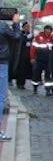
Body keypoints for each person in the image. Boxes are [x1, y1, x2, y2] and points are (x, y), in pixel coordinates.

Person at [0, 12, 22, 141]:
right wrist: (16, 23)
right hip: (1, 63)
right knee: (1, 97)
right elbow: (17, 37)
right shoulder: (3, 27)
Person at [31, 24, 53, 95]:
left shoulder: (52, 39)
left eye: (49, 31)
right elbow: (33, 48)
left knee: (48, 75)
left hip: (48, 60)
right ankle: (35, 88)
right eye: (46, 31)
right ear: (44, 30)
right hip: (39, 59)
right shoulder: (38, 37)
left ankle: (48, 90)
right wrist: (32, 57)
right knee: (36, 74)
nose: (47, 33)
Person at [14, 21, 32, 90]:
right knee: (20, 69)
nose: (28, 28)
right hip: (21, 55)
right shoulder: (20, 34)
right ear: (23, 27)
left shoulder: (30, 35)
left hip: (28, 55)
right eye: (27, 27)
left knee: (25, 70)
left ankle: (23, 83)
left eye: (29, 27)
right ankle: (19, 83)